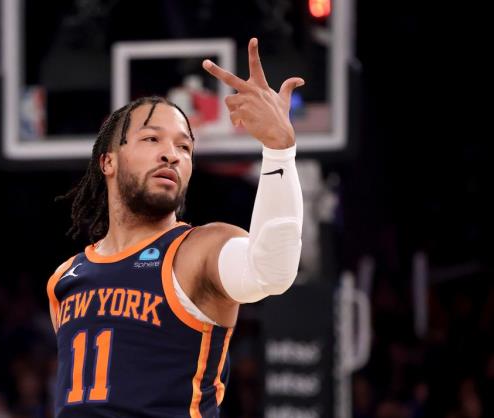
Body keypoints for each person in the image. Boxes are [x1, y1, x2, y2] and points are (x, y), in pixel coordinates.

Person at [47, 38, 304, 417]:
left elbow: (272, 271)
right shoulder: (65, 277)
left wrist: (279, 149)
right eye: (152, 139)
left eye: (184, 148)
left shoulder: (198, 250)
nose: (172, 153)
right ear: (108, 162)